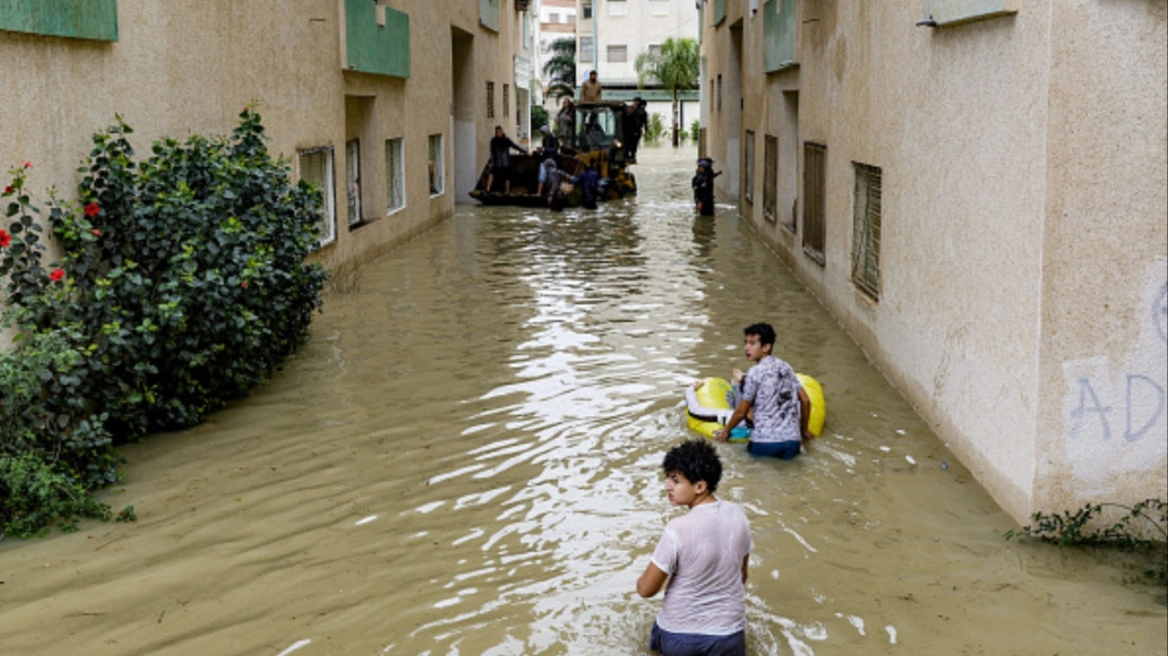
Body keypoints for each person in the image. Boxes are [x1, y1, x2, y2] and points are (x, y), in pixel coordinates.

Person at [637, 439, 752, 656]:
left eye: (675, 480)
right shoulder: (738, 514)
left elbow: (646, 590)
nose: (667, 486)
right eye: (668, 478)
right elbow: (742, 576)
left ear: (700, 486)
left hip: (679, 637)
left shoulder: (677, 528)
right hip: (729, 636)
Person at [715, 322, 812, 460]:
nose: (746, 348)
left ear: (766, 347)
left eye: (752, 343)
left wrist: (725, 431)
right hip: (793, 442)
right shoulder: (786, 367)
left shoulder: (754, 372)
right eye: (746, 343)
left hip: (764, 443)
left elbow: (741, 411)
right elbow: (805, 400)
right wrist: (804, 431)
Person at [486, 125, 527, 194]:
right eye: (497, 132)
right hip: (497, 161)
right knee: (492, 173)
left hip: (505, 161)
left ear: (502, 132)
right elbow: (492, 152)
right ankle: (488, 189)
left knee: (507, 176)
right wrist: (491, 162)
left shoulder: (506, 139)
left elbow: (515, 146)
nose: (499, 133)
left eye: (500, 132)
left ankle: (507, 191)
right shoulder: (493, 141)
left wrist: (525, 152)